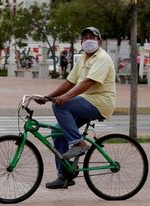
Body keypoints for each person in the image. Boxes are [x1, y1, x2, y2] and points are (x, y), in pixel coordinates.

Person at [35, 27, 116, 189]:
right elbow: (70, 82)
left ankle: (78, 143)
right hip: (85, 101)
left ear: (99, 40)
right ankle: (64, 175)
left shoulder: (102, 58)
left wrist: (64, 98)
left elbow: (88, 82)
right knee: (57, 132)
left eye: (91, 37)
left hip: (100, 102)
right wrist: (47, 97)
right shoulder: (83, 58)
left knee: (61, 106)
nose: (88, 40)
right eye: (84, 37)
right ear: (81, 42)